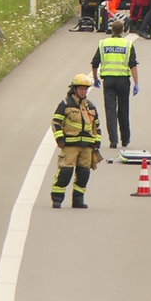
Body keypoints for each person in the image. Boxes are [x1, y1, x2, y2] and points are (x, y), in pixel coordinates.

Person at [50, 74, 102, 209]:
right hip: (70, 146)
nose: (83, 91)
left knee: (84, 174)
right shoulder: (65, 104)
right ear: (74, 89)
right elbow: (56, 122)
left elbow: (96, 126)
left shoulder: (90, 106)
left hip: (87, 147)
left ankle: (78, 200)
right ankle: (57, 198)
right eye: (81, 89)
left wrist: (97, 142)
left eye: (85, 89)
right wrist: (60, 138)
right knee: (66, 172)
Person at [91, 19, 140, 149]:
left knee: (110, 110)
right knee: (124, 110)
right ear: (123, 30)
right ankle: (125, 139)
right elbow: (133, 65)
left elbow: (95, 63)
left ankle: (113, 140)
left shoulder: (103, 43)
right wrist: (136, 83)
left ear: (111, 30)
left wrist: (95, 78)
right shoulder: (127, 45)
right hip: (124, 81)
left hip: (108, 81)